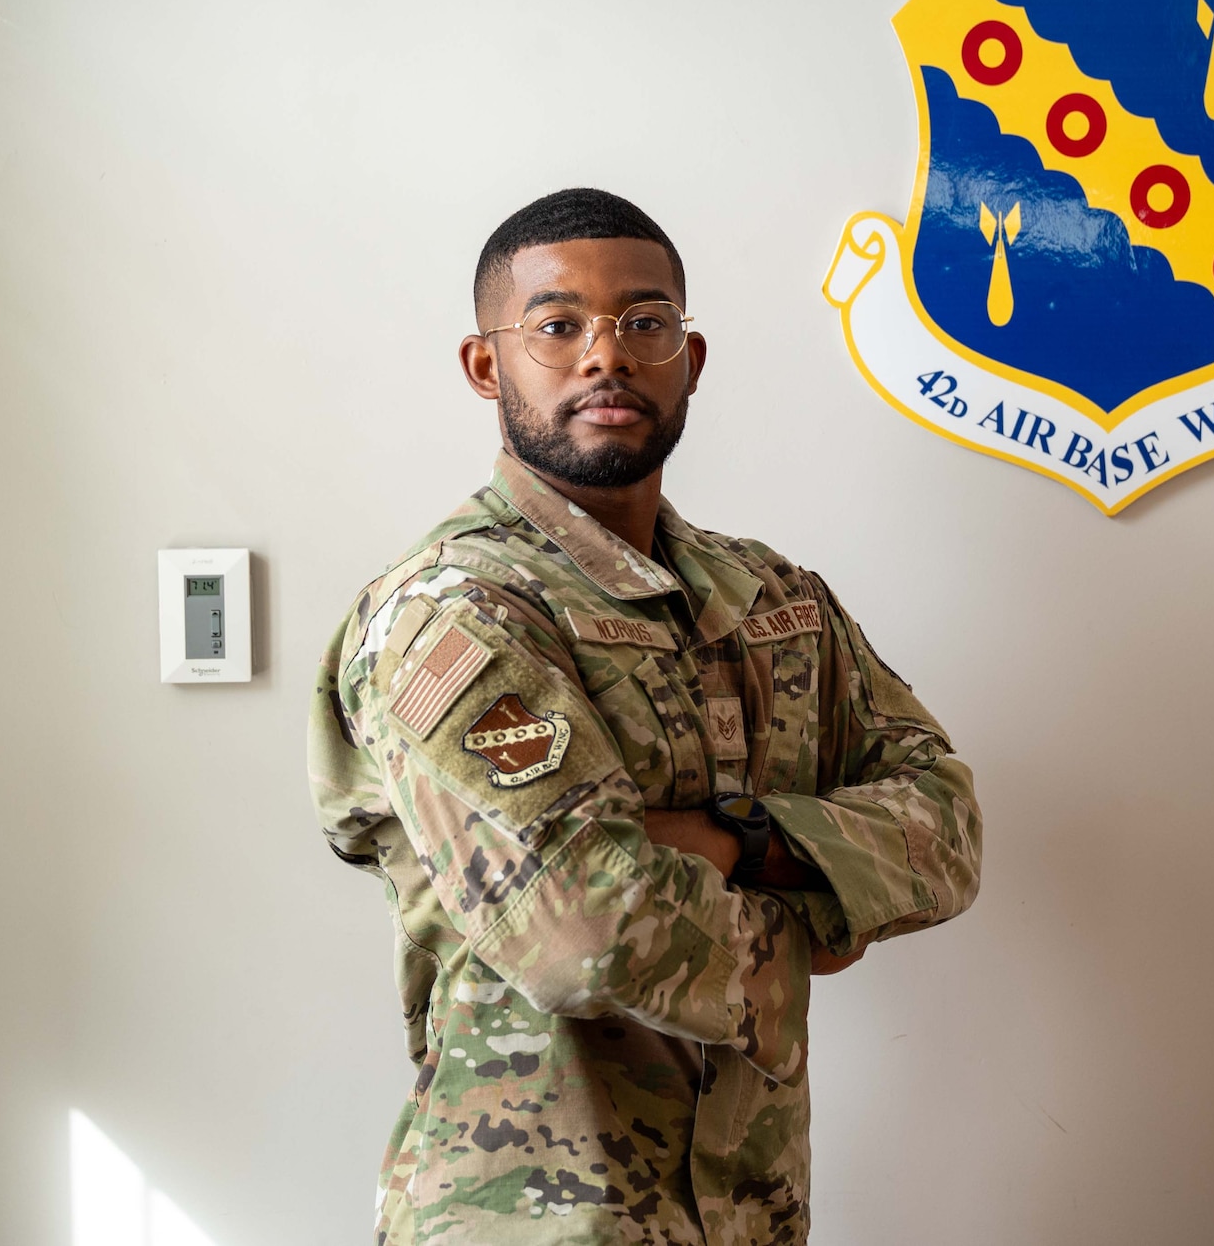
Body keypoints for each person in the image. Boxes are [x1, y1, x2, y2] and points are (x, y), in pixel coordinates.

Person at [307, 188, 983, 1245]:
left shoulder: (775, 599)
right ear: (486, 365)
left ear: (690, 359)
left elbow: (947, 825)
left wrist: (732, 838)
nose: (606, 356)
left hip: (752, 1213)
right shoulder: (453, 614)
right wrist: (818, 909)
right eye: (556, 323)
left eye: (645, 322)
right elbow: (582, 932)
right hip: (536, 1222)